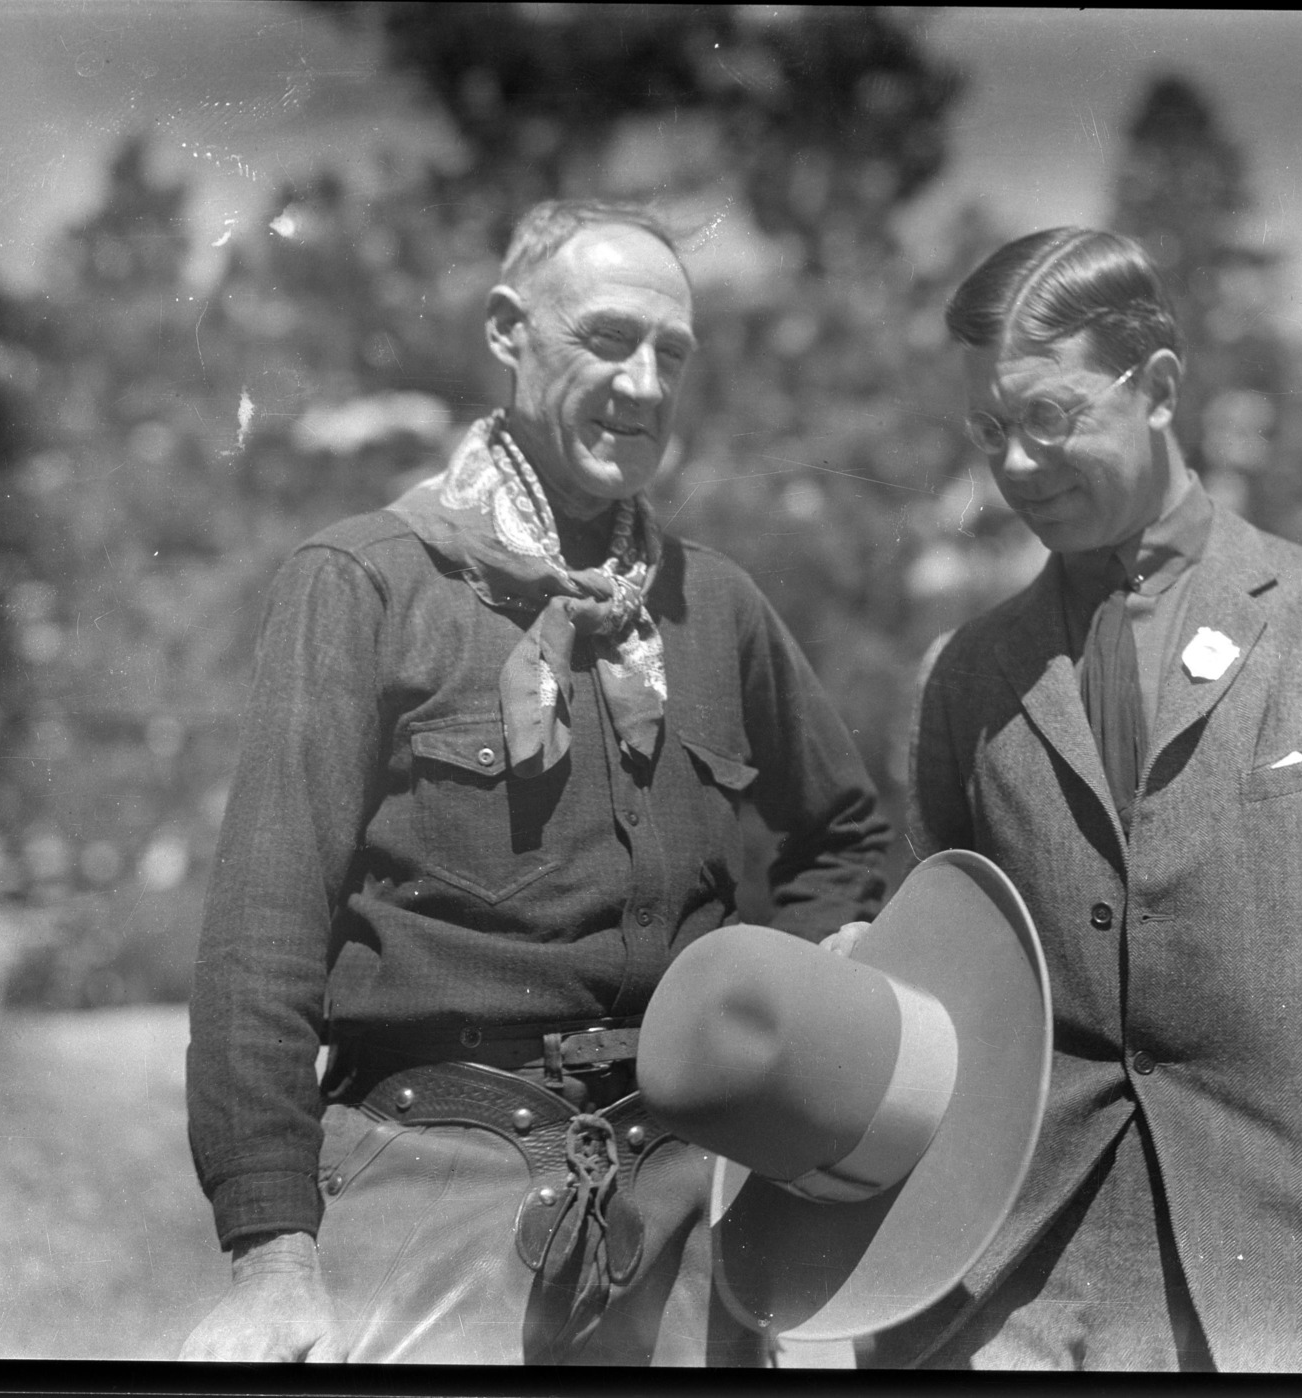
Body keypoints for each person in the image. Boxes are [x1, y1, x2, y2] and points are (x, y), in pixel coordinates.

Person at [178, 199, 889, 1365]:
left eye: (674, 353)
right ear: (509, 332)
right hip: (429, 1188)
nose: (647, 384)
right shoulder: (364, 582)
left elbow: (843, 839)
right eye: (609, 339)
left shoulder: (718, 609)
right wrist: (273, 1256)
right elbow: (263, 936)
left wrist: (788, 1023)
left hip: (686, 1216)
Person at [863, 227, 1302, 1372]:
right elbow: (936, 971)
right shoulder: (968, 674)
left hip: (1291, 1283)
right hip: (1011, 1293)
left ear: (1157, 387)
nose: (1016, 465)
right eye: (989, 431)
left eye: (1049, 418)